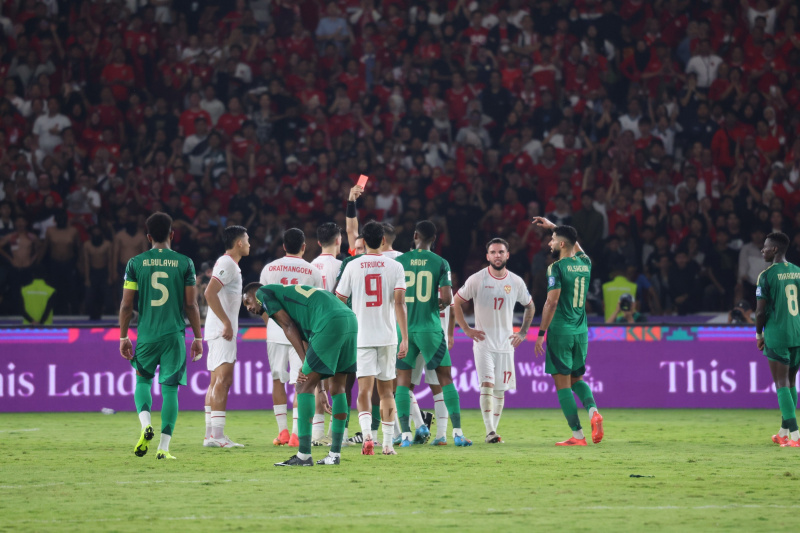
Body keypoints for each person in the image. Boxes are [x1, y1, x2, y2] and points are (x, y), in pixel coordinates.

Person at [242, 282, 357, 466]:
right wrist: (320, 389)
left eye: (247, 302)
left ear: (254, 295)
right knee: (338, 387)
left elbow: (288, 326)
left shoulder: (264, 293)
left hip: (329, 320)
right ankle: (334, 455)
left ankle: (303, 455)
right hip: (349, 319)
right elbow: (306, 341)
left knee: (302, 385)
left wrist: (305, 364)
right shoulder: (294, 303)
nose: (249, 308)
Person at [119, 212, 203, 460]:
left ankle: (146, 424)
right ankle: (163, 448)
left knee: (143, 381)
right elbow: (191, 305)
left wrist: (123, 336)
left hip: (146, 334)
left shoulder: (135, 263)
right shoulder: (185, 262)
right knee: (170, 391)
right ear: (172, 234)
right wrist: (198, 338)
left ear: (148, 237)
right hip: (173, 335)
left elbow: (126, 305)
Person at [396, 220, 473, 447]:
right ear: (435, 239)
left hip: (406, 330)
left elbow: (395, 297)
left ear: (416, 235)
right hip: (430, 329)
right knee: (445, 379)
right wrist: (436, 303)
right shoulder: (441, 262)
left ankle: (406, 436)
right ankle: (457, 433)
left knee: (402, 383)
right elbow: (448, 299)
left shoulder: (400, 262)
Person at [336, 221, 408, 455]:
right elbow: (399, 303)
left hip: (362, 336)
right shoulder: (395, 266)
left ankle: (367, 435)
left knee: (364, 391)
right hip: (387, 336)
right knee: (387, 392)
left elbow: (339, 300)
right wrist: (404, 337)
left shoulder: (353, 266)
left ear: (363, 241)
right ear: (384, 241)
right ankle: (387, 444)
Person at [453, 237, 535, 444]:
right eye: (493, 252)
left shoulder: (515, 281)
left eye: (500, 252)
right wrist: (466, 329)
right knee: (487, 385)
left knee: (500, 390)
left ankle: (493, 432)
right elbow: (455, 302)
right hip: (483, 343)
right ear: (487, 256)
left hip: (506, 344)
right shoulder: (477, 279)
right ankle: (490, 431)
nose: (497, 255)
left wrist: (523, 332)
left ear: (507, 255)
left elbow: (530, 306)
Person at [532, 217, 603, 447]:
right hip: (581, 331)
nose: (550, 243)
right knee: (577, 379)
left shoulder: (556, 268)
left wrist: (541, 333)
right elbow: (575, 244)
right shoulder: (585, 263)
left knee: (562, 384)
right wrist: (555, 226)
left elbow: (551, 303)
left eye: (552, 239)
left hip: (560, 331)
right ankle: (593, 411)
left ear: (562, 244)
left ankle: (578, 435)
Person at [259, 228, 323, 447]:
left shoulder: (269, 269)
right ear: (304, 247)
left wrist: (271, 326)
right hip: (302, 334)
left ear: (283, 246)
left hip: (276, 332)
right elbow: (316, 306)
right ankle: (296, 434)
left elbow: (263, 303)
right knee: (302, 380)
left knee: (278, 380)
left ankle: (282, 432)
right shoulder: (312, 271)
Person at [202, 225, 250, 448]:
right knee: (224, 380)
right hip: (222, 331)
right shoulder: (228, 263)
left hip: (216, 329)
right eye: (247, 240)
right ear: (239, 243)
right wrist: (226, 322)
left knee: (214, 382)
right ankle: (218, 437)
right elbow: (208, 293)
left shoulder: (227, 264)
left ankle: (211, 435)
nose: (249, 244)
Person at [755, 232, 800, 447]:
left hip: (777, 334)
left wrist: (759, 334)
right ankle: (784, 432)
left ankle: (796, 436)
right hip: (797, 333)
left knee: (781, 382)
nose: (762, 250)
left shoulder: (766, 275)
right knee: (791, 381)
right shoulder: (798, 272)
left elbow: (760, 312)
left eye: (765, 247)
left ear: (774, 250)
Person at [310, 222, 343, 446]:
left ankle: (316, 434)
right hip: (336, 325)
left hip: (314, 326)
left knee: (316, 380)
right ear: (339, 240)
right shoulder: (342, 266)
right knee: (339, 381)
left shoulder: (309, 267)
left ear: (319, 242)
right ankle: (335, 434)